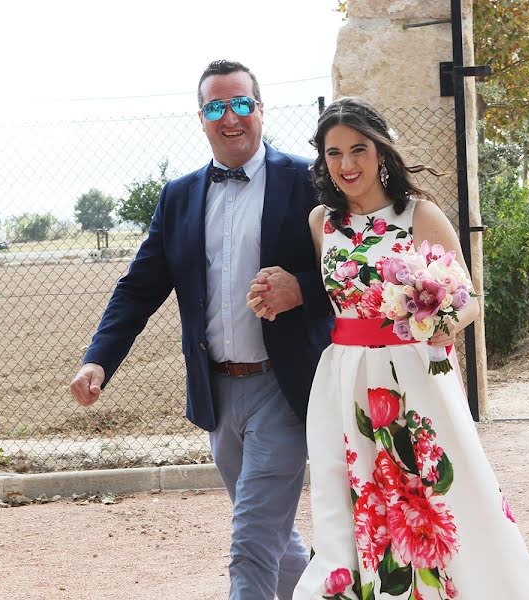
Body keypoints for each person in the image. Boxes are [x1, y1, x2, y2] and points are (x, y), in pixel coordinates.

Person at [253, 97, 529, 598]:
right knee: (356, 497)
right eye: (334, 153)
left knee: (434, 493)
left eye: (358, 150)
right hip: (344, 378)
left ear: (381, 152)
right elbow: (333, 297)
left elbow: (470, 298)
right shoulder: (321, 223)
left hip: (413, 377)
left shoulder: (419, 215)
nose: (346, 164)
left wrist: (443, 324)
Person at [68, 60, 332, 599]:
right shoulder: (179, 196)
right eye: (216, 107)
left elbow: (352, 272)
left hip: (284, 388)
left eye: (241, 104)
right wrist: (99, 359)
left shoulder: (308, 182)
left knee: (251, 543)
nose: (230, 118)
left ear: (261, 110)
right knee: (275, 542)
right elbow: (140, 288)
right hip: (217, 393)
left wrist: (301, 288)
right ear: (201, 118)